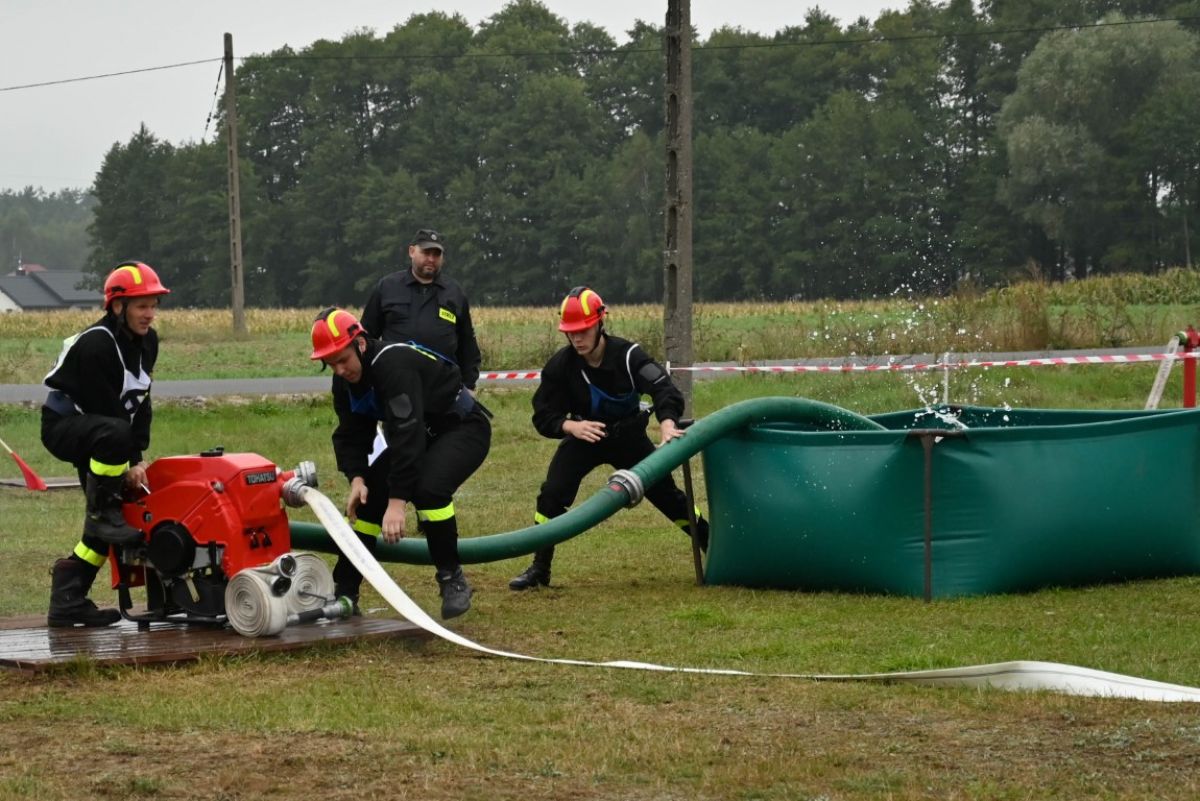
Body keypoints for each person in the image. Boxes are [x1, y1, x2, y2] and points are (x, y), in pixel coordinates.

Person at [509, 286, 709, 590]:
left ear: (600, 323)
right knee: (552, 494)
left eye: (583, 330)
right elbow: (542, 414)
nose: (577, 339)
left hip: (630, 438)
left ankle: (718, 549)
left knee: (670, 499)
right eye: (571, 332)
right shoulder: (560, 367)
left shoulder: (629, 355)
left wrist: (667, 423)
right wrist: (569, 427)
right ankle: (540, 568)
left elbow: (664, 389)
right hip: (584, 438)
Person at [310, 306, 491, 619]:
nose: (339, 370)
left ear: (361, 344)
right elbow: (351, 433)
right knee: (367, 500)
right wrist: (357, 478)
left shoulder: (393, 364)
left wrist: (396, 503)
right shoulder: (344, 380)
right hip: (421, 433)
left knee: (429, 490)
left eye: (343, 360)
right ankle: (345, 592)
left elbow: (406, 435)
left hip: (462, 427)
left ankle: (452, 579)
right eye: (331, 364)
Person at [41, 261, 170, 627]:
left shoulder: (149, 343)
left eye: (153, 304)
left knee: (113, 522)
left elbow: (141, 402)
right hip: (65, 427)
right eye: (141, 305)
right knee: (107, 509)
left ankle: (68, 599)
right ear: (118, 307)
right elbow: (107, 411)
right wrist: (128, 463)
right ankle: (102, 513)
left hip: (106, 434)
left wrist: (139, 460)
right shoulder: (97, 345)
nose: (149, 314)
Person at [360, 228, 482, 392]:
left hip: (443, 387)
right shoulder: (387, 287)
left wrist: (469, 385)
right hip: (397, 386)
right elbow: (366, 337)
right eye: (426, 252)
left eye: (436, 254)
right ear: (411, 251)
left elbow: (467, 344)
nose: (431, 259)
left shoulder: (454, 292)